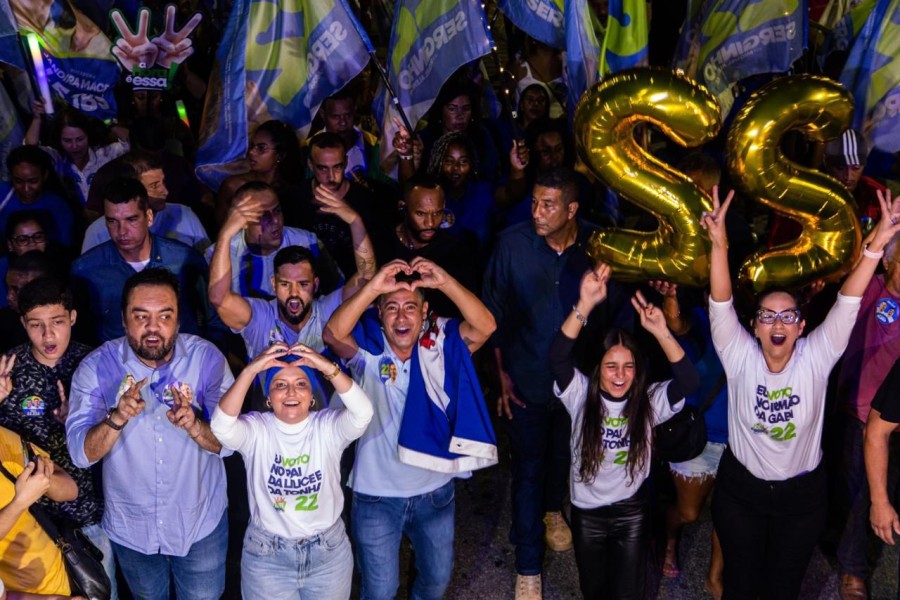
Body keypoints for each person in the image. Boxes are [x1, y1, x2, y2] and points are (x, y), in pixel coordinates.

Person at [701, 185, 900, 599]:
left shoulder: (817, 355)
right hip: (742, 493)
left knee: (783, 587)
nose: (778, 323)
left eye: (788, 315)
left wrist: (877, 245)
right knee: (741, 583)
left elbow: (848, 300)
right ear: (754, 326)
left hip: (801, 499)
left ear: (801, 326)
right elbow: (720, 304)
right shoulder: (739, 356)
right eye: (768, 316)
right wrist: (718, 244)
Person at [483, 166, 632, 600]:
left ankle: (553, 512)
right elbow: (491, 317)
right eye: (533, 201)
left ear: (572, 209)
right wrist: (501, 377)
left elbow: (615, 317)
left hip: (580, 387)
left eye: (547, 205)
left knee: (563, 462)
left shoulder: (599, 246)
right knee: (527, 470)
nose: (536, 212)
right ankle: (528, 566)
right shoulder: (511, 245)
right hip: (526, 380)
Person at [323, 259, 498, 600]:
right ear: (379, 313)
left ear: (425, 311)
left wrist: (444, 280)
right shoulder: (368, 350)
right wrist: (374, 286)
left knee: (434, 583)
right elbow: (333, 334)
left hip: (434, 492)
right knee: (380, 590)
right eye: (391, 308)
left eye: (410, 307)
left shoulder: (442, 343)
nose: (401, 317)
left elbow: (485, 326)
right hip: (376, 498)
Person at [66, 268, 234, 600]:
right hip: (133, 530)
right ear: (124, 320)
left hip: (200, 525)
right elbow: (80, 454)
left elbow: (229, 444)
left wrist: (194, 424)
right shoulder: (96, 367)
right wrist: (117, 418)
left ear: (179, 320)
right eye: (141, 316)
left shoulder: (207, 359)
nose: (153, 328)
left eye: (164, 316)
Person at [550, 267, 698, 600]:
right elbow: (557, 358)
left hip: (631, 511)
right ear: (597, 368)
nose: (620, 375)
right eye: (611, 366)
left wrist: (661, 332)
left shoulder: (648, 401)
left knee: (629, 593)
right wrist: (584, 305)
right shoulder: (580, 394)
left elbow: (689, 381)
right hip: (587, 512)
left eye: (628, 366)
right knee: (595, 590)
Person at [210, 342, 374, 599]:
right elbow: (221, 427)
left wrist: (324, 366)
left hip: (327, 554)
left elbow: (363, 413)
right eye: (279, 385)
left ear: (311, 397)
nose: (290, 392)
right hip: (267, 556)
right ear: (268, 397)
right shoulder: (257, 429)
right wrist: (250, 371)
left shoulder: (327, 426)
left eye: (301, 384)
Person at [0, 278, 116, 597]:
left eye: (57, 322)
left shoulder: (97, 365)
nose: (48, 335)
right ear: (23, 322)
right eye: (36, 325)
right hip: (33, 522)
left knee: (101, 591)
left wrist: (81, 424)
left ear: (73, 318)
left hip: (91, 515)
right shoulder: (8, 370)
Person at [70, 177, 224, 344]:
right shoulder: (85, 269)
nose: (122, 231)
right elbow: (80, 331)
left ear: (149, 217)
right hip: (118, 365)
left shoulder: (184, 259)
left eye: (131, 219)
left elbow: (214, 318)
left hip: (182, 361)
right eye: (112, 221)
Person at [832, 229, 900, 599]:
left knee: (884, 489)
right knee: (861, 494)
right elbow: (857, 272)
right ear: (888, 262)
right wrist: (882, 231)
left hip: (895, 418)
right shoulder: (873, 290)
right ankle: (852, 570)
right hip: (861, 413)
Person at [651, 281, 727, 599]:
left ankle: (715, 576)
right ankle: (668, 538)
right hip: (703, 436)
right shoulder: (699, 320)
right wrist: (671, 298)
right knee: (689, 513)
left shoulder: (752, 323)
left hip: (745, 442)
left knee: (731, 518)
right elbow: (676, 324)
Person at [204, 181, 343, 300]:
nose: (275, 220)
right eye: (264, 215)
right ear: (242, 222)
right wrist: (225, 235)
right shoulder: (219, 255)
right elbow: (217, 308)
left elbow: (337, 293)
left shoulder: (308, 243)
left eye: (277, 211)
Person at [283, 131, 390, 275]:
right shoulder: (294, 198)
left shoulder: (367, 201)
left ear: (345, 162)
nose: (331, 176)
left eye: (337, 167)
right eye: (322, 168)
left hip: (352, 285)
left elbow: (373, 266)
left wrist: (354, 218)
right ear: (310, 164)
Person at [382, 174, 480, 318]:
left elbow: (472, 313)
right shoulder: (383, 242)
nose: (430, 223)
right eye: (421, 214)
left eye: (437, 213)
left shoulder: (456, 250)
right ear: (403, 207)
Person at [0, 417, 78, 597]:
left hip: (66, 575)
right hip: (26, 593)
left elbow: (70, 490)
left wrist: (45, 479)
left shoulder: (3, 438)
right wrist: (20, 502)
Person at [81, 152, 210, 253]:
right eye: (154, 186)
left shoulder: (185, 215)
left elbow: (207, 261)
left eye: (163, 182)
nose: (165, 191)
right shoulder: (97, 233)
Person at [24, 102, 129, 206]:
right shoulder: (56, 159)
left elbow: (131, 142)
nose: (74, 146)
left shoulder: (104, 154)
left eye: (80, 139)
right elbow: (31, 149)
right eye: (67, 141)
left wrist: (108, 121)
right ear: (59, 140)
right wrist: (37, 119)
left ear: (88, 135)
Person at [216, 120, 304, 226]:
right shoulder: (233, 186)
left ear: (280, 155)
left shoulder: (293, 187)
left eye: (261, 148)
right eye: (252, 146)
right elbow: (221, 230)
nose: (251, 152)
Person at [425, 132, 495, 252]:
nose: (456, 167)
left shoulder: (483, 192)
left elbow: (511, 194)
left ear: (472, 164)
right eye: (449, 161)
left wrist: (517, 170)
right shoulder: (430, 195)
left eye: (463, 162)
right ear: (439, 163)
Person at [0, 146, 75, 250]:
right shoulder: (2, 195)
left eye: (33, 181)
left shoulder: (58, 206)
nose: (26, 188)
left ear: (45, 176)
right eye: (18, 181)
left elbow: (64, 247)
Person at [1, 212, 50, 309]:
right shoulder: (2, 270)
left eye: (38, 237)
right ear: (10, 245)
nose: (32, 243)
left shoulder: (59, 266)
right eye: (23, 239)